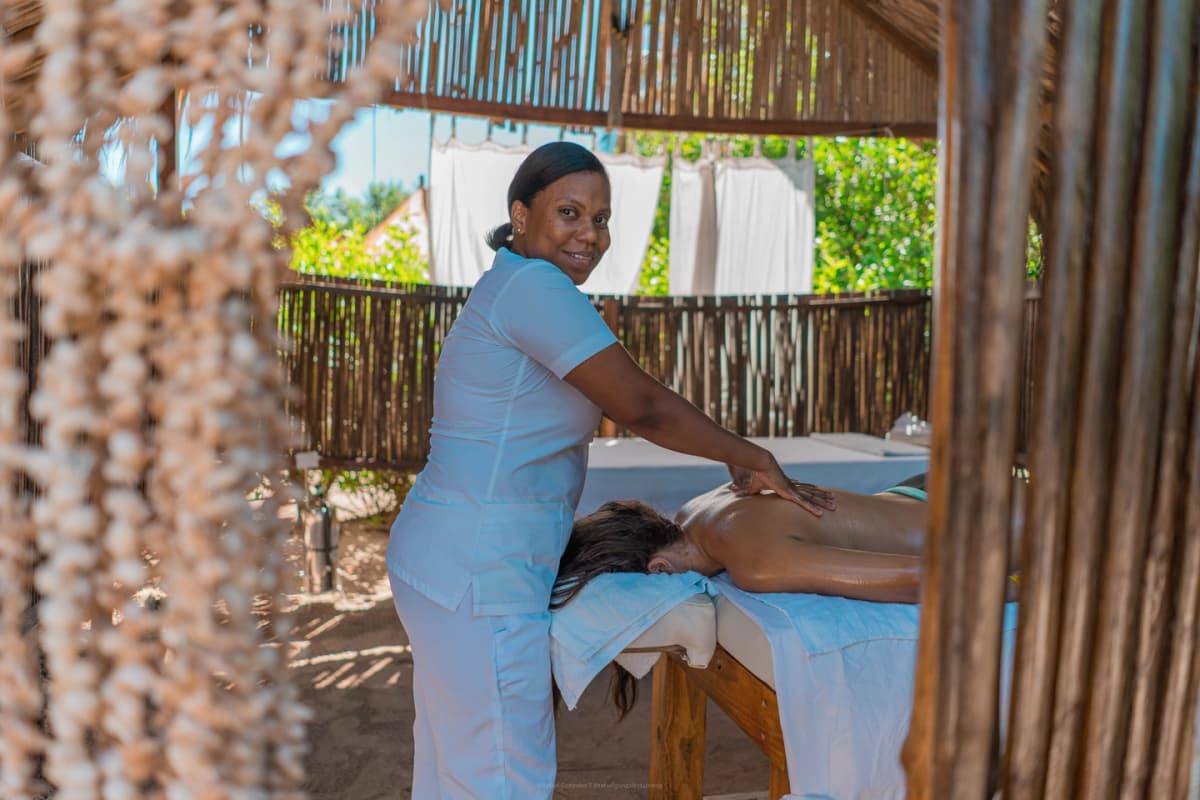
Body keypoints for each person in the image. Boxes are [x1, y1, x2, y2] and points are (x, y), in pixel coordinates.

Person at [385, 141, 835, 799]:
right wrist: (749, 454)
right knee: (499, 775)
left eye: (601, 218)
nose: (590, 235)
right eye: (569, 213)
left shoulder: (513, 285)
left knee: (460, 766)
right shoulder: (534, 287)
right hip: (479, 572)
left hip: (452, 559)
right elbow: (642, 405)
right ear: (520, 214)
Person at [552, 473, 1024, 716]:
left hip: (993, 523)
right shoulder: (696, 510)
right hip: (928, 493)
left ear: (657, 570)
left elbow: (930, 578)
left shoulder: (754, 561)